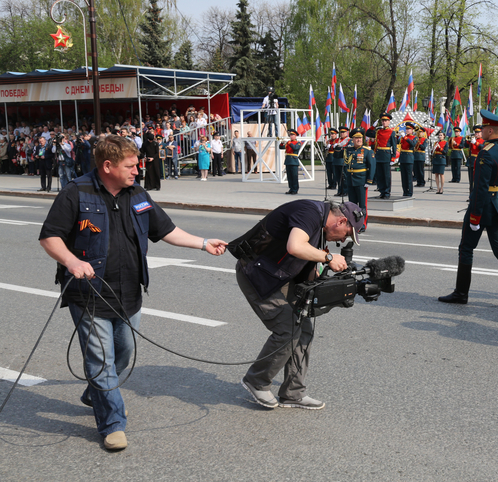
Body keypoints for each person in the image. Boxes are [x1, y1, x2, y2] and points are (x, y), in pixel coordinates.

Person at [38, 134, 227, 450]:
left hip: (130, 295)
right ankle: (113, 424)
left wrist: (204, 243)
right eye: (130, 166)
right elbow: (49, 237)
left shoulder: (138, 194)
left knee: (123, 353)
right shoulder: (76, 192)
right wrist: (71, 261)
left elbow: (166, 230)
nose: (137, 171)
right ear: (108, 166)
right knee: (101, 362)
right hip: (89, 295)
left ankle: (95, 392)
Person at [234, 200, 365, 410]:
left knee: (303, 329)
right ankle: (256, 380)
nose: (343, 239)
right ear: (341, 221)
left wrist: (331, 277)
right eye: (347, 234)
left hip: (281, 275)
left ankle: (293, 394)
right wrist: (329, 257)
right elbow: (295, 247)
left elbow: (309, 272)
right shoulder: (310, 213)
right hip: (256, 274)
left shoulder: (321, 229)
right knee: (288, 329)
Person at [439, 110, 498, 311]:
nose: (481, 131)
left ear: (490, 130)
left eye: (483, 128)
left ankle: (461, 293)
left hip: (482, 207)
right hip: (497, 203)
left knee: (466, 248)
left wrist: (474, 216)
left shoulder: (486, 152)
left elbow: (480, 188)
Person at [343, 128, 376, 221]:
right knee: (352, 205)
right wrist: (339, 145)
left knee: (362, 205)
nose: (358, 140)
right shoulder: (348, 150)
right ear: (352, 140)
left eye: (360, 138)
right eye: (356, 138)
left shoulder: (367, 151)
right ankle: (353, 223)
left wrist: (369, 180)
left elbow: (372, 166)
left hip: (362, 181)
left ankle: (362, 224)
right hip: (351, 180)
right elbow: (337, 156)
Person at [374, 113, 398, 198]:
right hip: (379, 154)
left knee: (386, 175)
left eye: (386, 121)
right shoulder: (378, 131)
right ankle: (382, 191)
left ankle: (387, 192)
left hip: (386, 155)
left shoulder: (391, 132)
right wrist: (372, 127)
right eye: (383, 121)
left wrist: (393, 157)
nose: (384, 122)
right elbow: (370, 134)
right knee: (379, 175)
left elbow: (394, 146)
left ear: (389, 122)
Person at [398, 122, 417, 197]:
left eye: (409, 129)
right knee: (403, 177)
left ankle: (409, 192)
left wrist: (405, 137)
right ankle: (405, 191)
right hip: (402, 158)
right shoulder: (403, 137)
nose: (407, 130)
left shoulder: (414, 137)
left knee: (409, 177)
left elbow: (412, 144)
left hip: (409, 158)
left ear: (412, 130)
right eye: (406, 129)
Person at [280, 129, 301, 194]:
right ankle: (291, 189)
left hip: (294, 160)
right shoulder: (289, 142)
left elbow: (295, 148)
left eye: (292, 135)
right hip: (288, 160)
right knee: (289, 176)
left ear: (295, 136)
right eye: (290, 135)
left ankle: (295, 189)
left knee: (294, 176)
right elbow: (281, 148)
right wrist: (282, 143)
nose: (291, 136)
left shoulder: (298, 143)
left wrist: (289, 143)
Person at [466, 125, 484, 193]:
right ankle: (471, 195)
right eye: (476, 132)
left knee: (478, 179)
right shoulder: (473, 139)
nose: (477, 134)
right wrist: (468, 140)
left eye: (478, 132)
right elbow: (465, 145)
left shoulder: (484, 140)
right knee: (471, 180)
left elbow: (482, 147)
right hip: (471, 160)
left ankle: (477, 194)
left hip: (479, 160)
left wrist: (475, 143)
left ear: (482, 133)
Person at [333, 126, 350, 196]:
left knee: (344, 177)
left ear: (346, 132)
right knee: (338, 177)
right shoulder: (337, 140)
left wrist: (339, 147)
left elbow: (347, 148)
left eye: (343, 132)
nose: (342, 134)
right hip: (336, 160)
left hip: (343, 160)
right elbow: (333, 147)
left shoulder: (349, 140)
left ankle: (345, 191)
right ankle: (340, 191)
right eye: (341, 132)